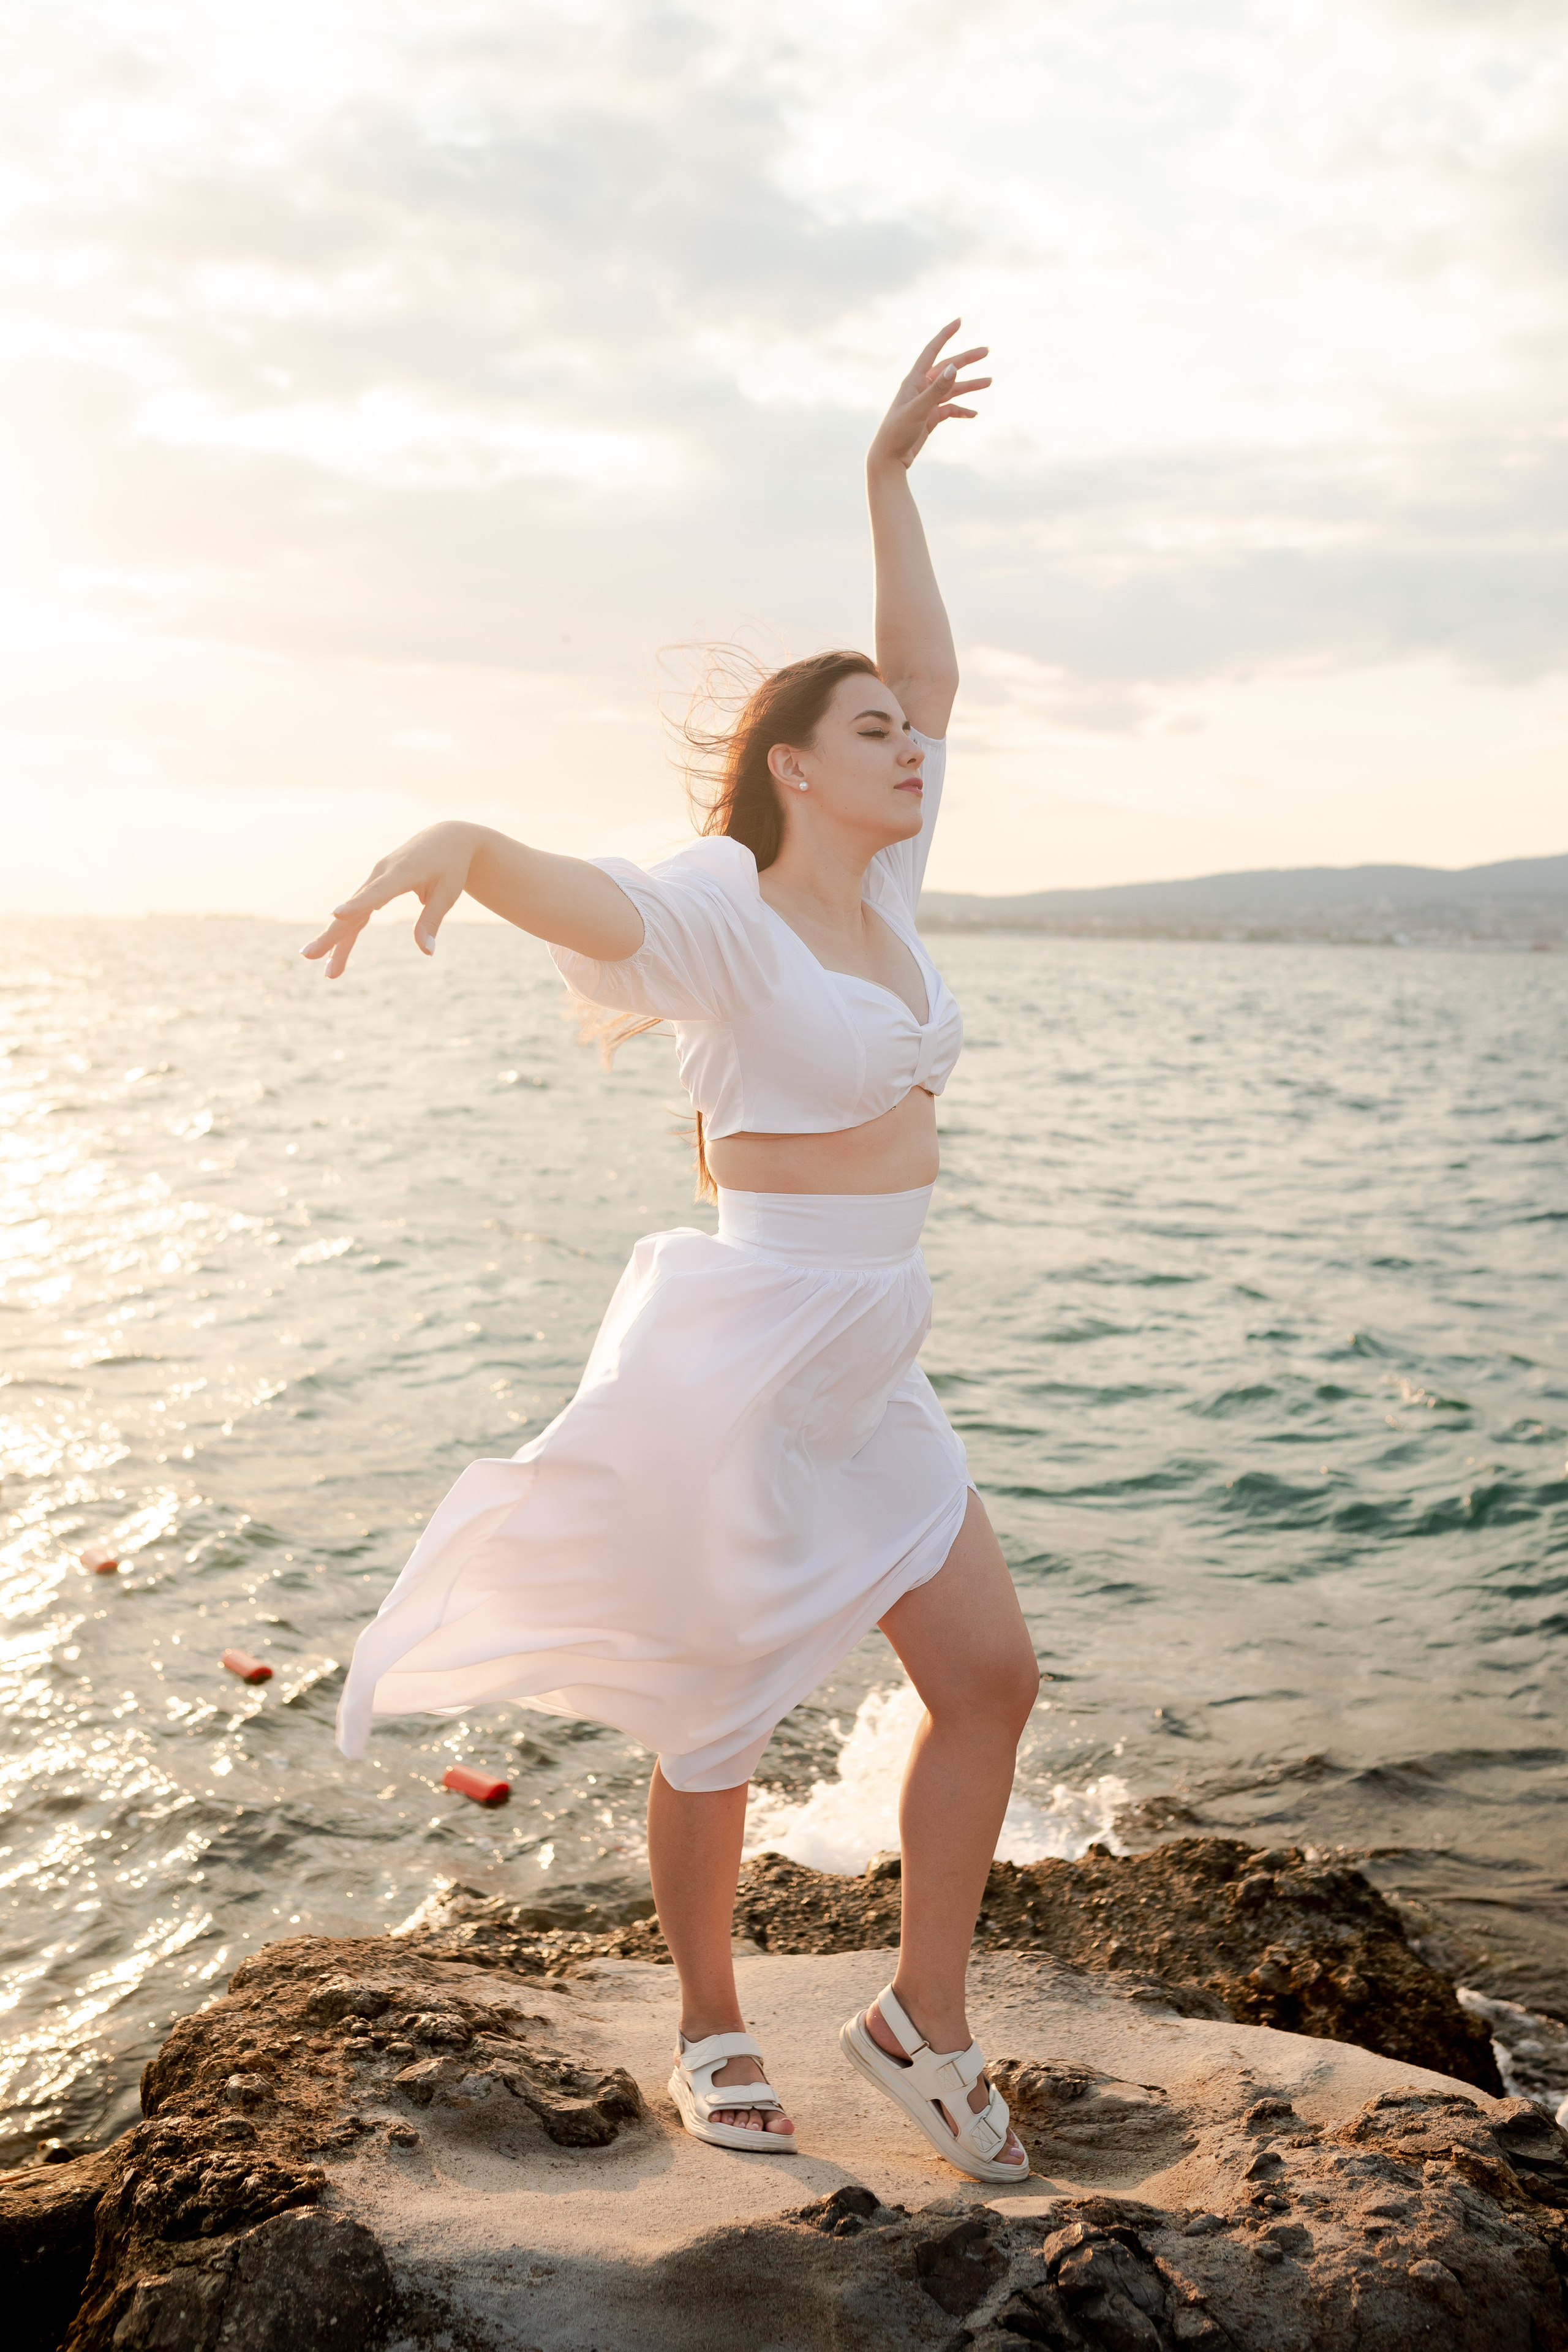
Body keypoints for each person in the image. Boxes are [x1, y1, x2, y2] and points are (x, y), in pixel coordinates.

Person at [303, 323, 1041, 2182]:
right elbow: (579, 893)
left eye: (909, 733)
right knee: (708, 1707)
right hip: (747, 1338)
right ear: (791, 768)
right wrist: (458, 844)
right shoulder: (721, 909)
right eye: (872, 732)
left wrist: (887, 477)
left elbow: (931, 664)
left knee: (991, 1679)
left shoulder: (884, 889)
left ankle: (918, 2020)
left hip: (871, 1343)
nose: (914, 746)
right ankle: (711, 2023)